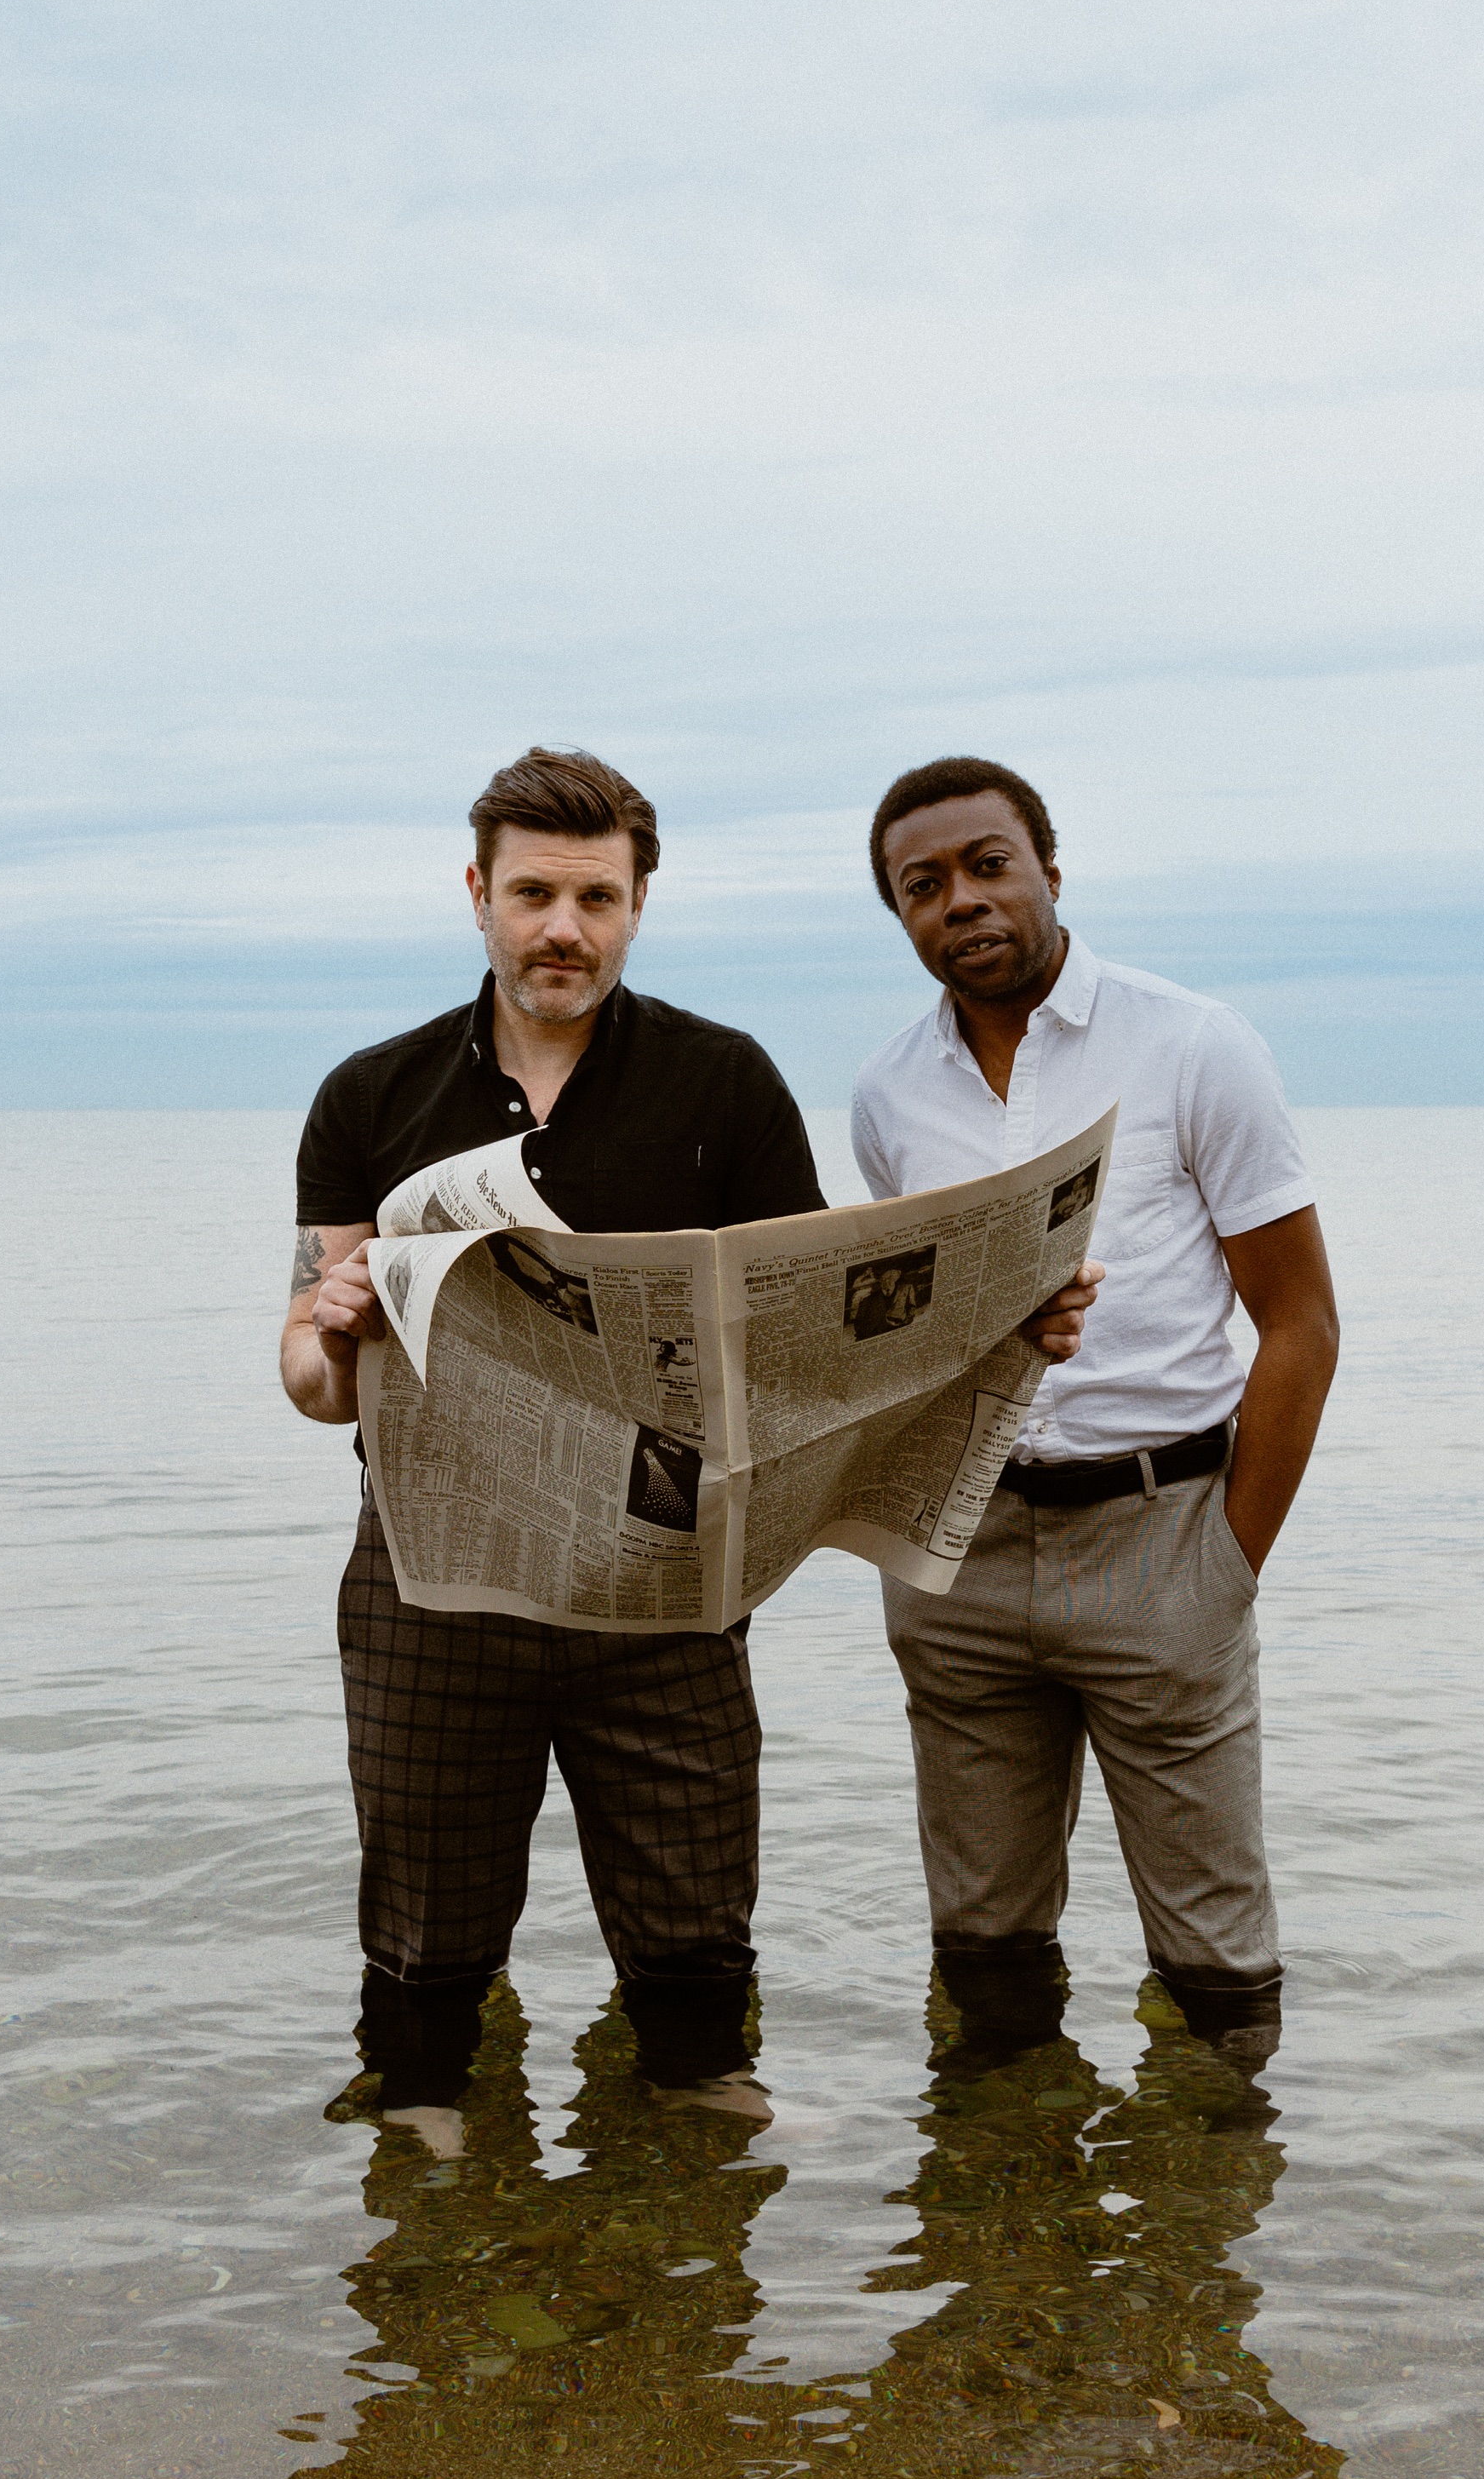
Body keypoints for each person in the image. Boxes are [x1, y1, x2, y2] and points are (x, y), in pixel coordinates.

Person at [283, 747, 1097, 2146]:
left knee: (696, 1967)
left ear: (639, 905)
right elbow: (307, 1383)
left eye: (596, 897)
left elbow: (809, 1347)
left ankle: (691, 2236)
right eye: (532, 892)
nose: (562, 928)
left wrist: (1001, 1328)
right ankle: (429, 2224)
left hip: (667, 1582)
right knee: (425, 1959)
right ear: (476, 894)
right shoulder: (371, 1095)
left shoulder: (723, 1082)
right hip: (436, 1583)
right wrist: (337, 1320)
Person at [851, 755, 1340, 2061]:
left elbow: (1300, 1321)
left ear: (1051, 873)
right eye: (924, 885)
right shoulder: (890, 1097)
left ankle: (1206, 2228)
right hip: (960, 1559)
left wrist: (1229, 1560)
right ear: (900, 915)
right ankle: (1011, 2234)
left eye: (988, 865)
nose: (961, 900)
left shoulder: (1192, 1045)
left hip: (1160, 1534)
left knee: (1217, 1966)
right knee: (984, 1953)